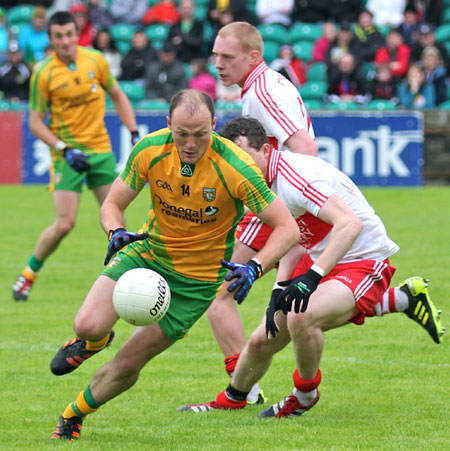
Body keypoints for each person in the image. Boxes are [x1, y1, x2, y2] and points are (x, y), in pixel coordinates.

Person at [49, 90, 301, 440]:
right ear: (168, 125)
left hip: (194, 285)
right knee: (86, 324)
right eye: (182, 134)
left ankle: (73, 415)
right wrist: (115, 231)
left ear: (214, 125)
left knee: (130, 362)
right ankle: (94, 340)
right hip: (147, 254)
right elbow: (112, 204)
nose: (190, 144)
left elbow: (287, 227)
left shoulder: (237, 167)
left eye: (200, 134)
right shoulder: (151, 149)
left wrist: (254, 266)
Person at [178, 115, 445, 417]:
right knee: (261, 339)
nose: (240, 166)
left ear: (266, 151)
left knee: (301, 317)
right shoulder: (259, 183)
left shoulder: (293, 177)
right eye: (234, 159)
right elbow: (294, 237)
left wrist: (312, 277)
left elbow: (350, 223)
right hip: (323, 255)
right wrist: (280, 287)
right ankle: (232, 399)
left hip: (362, 259)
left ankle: (304, 395)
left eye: (246, 157)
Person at [208, 21, 318, 403]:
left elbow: (305, 148)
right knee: (273, 305)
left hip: (277, 207)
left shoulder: (263, 91)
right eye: (216, 56)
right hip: (274, 205)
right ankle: (400, 299)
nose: (218, 64)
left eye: (227, 57)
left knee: (222, 294)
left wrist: (292, 216)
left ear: (254, 56)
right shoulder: (260, 86)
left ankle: (245, 390)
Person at [11, 11, 140, 302]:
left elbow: (118, 94)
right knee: (65, 224)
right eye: (59, 36)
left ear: (76, 32)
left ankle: (131, 284)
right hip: (68, 155)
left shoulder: (95, 60)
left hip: (100, 150)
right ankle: (28, 274)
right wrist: (64, 149)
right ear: (51, 38)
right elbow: (34, 121)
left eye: (70, 34)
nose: (65, 41)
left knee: (116, 220)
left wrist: (132, 131)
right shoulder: (43, 73)